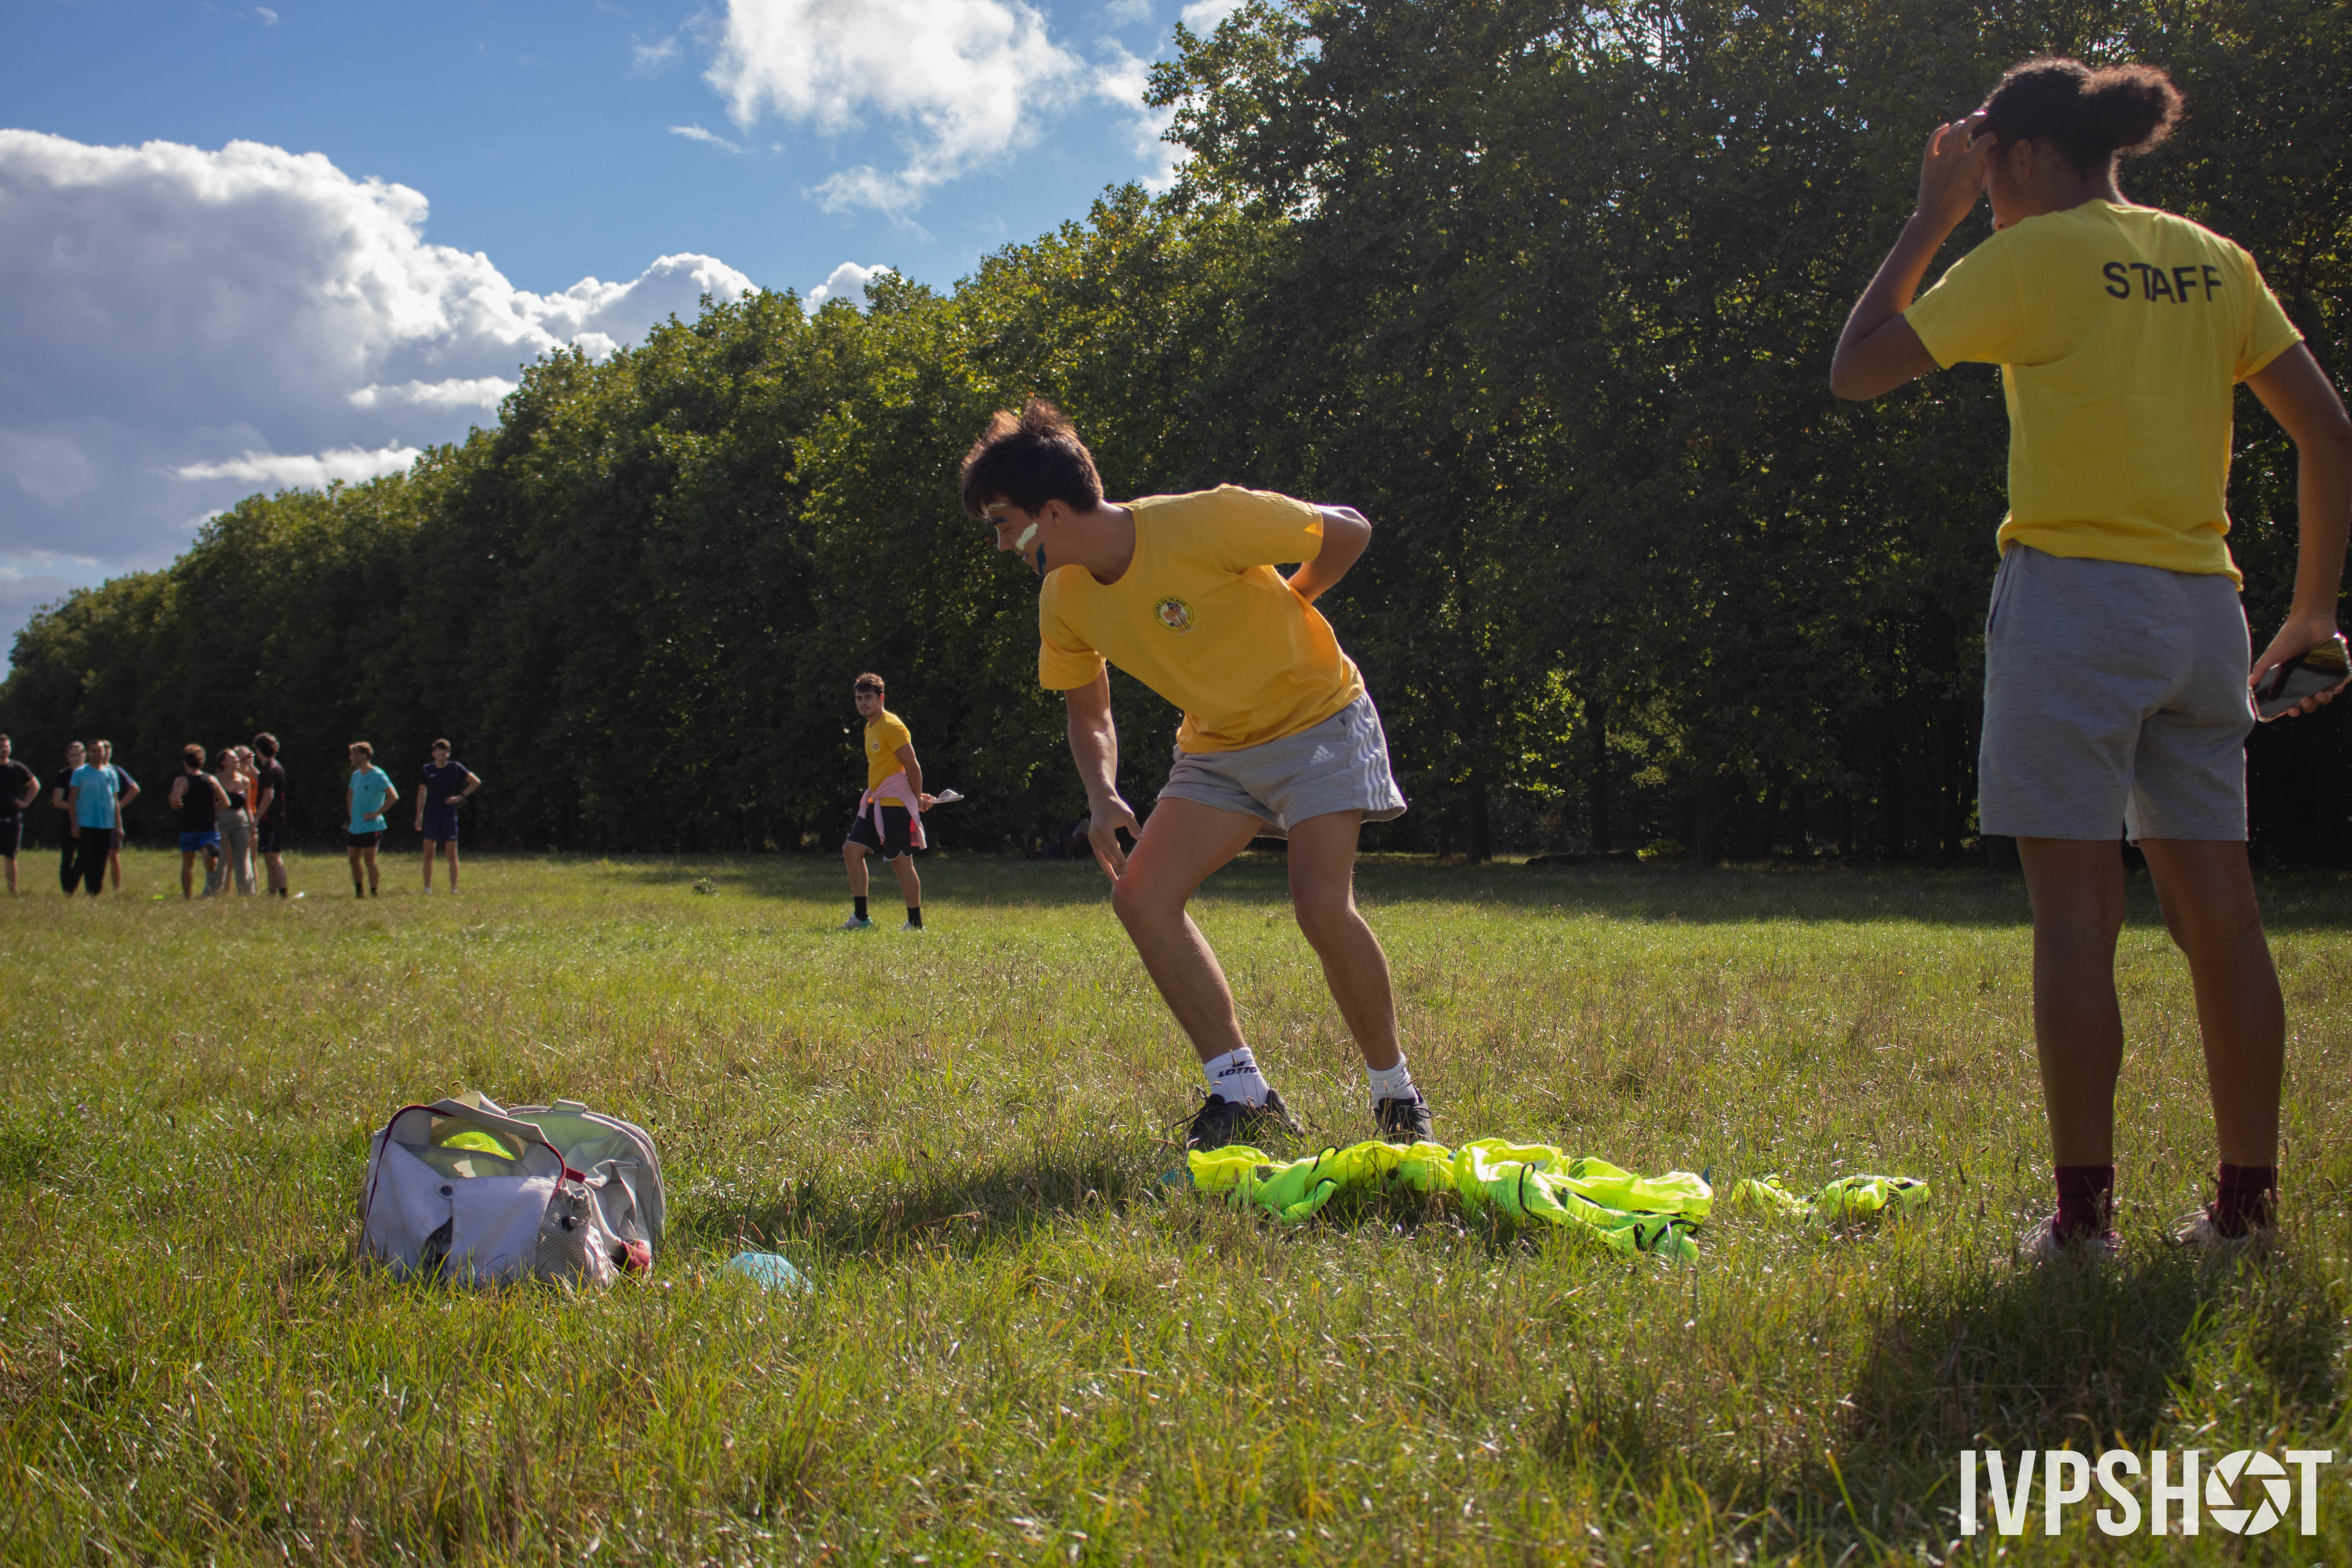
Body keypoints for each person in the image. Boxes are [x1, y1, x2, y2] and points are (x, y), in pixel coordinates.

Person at [1831, 59, 2352, 1256]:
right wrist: (2313, 612)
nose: (1979, 187)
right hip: (2203, 612)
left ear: (2018, 157)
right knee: (2224, 923)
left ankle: (2082, 1226)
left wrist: (1926, 220)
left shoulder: (2030, 256)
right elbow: (2328, 430)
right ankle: (2244, 1214)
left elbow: (1856, 368)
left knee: (2076, 921)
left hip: (2070, 606)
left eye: (1981, 165)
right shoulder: (2212, 260)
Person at [962, 400, 1430, 1151]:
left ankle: (1397, 1097)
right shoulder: (1064, 597)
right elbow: (1089, 713)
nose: (999, 545)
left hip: (1317, 720)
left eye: (1002, 524)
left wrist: (1296, 597)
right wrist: (1102, 793)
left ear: (1051, 512)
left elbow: (1350, 529)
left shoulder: (1204, 521)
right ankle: (1243, 1095)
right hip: (1217, 747)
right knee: (1141, 897)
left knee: (1319, 905)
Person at [838, 675, 936, 931]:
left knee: (901, 863)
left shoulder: (891, 726)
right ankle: (861, 919)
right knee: (852, 851)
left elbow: (913, 767)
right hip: (875, 803)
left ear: (881, 698)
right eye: (859, 698)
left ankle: (916, 925)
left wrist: (917, 799)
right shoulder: (870, 728)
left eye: (869, 698)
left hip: (896, 806)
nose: (863, 703)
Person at [65, 738, 138, 897]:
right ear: (88, 754)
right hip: (86, 823)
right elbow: (72, 800)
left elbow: (115, 801)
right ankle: (70, 888)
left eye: (100, 751)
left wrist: (119, 826)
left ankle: (94, 892)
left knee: (101, 859)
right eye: (94, 751)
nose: (97, 754)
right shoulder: (80, 773)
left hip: (106, 824)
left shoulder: (111, 773)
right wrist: (74, 824)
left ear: (104, 752)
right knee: (84, 857)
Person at [414, 739, 481, 893]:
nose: (441, 757)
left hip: (449, 815)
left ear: (448, 754)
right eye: (439, 754)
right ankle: (427, 889)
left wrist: (461, 797)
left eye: (444, 754)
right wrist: (419, 816)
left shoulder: (455, 768)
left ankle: (454, 889)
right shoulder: (427, 770)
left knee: (452, 853)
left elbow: (476, 782)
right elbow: (422, 793)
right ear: (434, 754)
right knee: (429, 853)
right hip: (432, 815)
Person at [168, 744, 231, 900]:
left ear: (185, 762)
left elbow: (175, 801)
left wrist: (177, 804)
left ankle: (188, 897)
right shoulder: (211, 779)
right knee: (211, 868)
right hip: (209, 826)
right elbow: (226, 802)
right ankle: (208, 854)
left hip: (189, 827)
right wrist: (211, 809)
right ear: (202, 762)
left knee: (188, 863)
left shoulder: (182, 781)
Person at [345, 741, 397, 897]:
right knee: (353, 859)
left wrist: (376, 813)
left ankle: (374, 893)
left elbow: (393, 797)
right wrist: (351, 814)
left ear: (364, 756)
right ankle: (360, 892)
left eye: (354, 754)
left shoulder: (378, 775)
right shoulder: (356, 776)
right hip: (356, 827)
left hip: (371, 826)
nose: (351, 758)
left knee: (369, 860)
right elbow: (350, 794)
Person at [205, 747, 258, 896]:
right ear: (223, 763)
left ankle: (247, 893)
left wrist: (253, 826)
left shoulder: (245, 781)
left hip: (241, 822)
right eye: (232, 758)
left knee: (243, 859)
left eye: (236, 757)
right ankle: (212, 892)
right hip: (221, 822)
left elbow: (248, 807)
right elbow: (210, 806)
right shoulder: (216, 780)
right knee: (220, 859)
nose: (236, 759)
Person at [251, 732, 290, 896]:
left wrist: (257, 818)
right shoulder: (274, 766)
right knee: (269, 857)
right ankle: (272, 893)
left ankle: (283, 894)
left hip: (272, 819)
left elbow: (268, 795)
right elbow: (263, 781)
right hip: (275, 818)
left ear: (260, 750)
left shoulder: (269, 769)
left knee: (274, 857)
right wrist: (251, 768)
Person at [0, 734, 36, 895]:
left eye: (7, 746)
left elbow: (35, 785)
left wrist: (26, 803)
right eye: (1, 747)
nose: (4, 749)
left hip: (12, 819)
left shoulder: (17, 768)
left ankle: (12, 891)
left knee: (11, 856)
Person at [51, 740, 82, 895]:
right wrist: (77, 808)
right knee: (68, 856)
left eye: (79, 754)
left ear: (85, 755)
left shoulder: (91, 774)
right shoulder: (64, 776)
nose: (76, 758)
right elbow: (57, 801)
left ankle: (75, 885)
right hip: (68, 822)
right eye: (73, 755)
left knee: (86, 856)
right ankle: (68, 891)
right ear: (68, 758)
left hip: (90, 821)